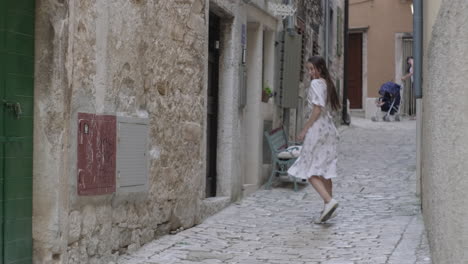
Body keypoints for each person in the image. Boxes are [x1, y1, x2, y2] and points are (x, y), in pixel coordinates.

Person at [287, 56, 341, 224]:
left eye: (312, 69)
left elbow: (317, 109)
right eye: (308, 69)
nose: (310, 72)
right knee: (325, 169)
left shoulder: (316, 84)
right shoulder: (326, 83)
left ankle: (328, 201)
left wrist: (304, 129)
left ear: (320, 68)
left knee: (310, 170)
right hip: (328, 130)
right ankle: (328, 207)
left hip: (318, 129)